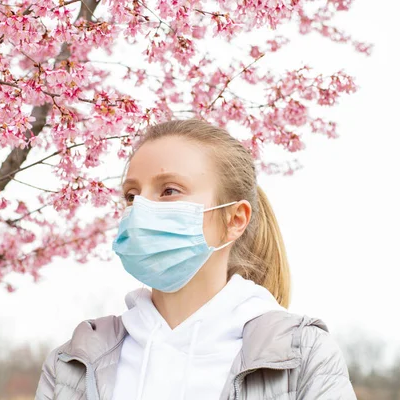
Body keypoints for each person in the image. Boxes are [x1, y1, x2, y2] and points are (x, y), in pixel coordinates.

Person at [35, 119, 356, 400]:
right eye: (132, 195)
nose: (140, 209)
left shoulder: (301, 355)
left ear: (235, 219)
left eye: (169, 190)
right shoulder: (73, 362)